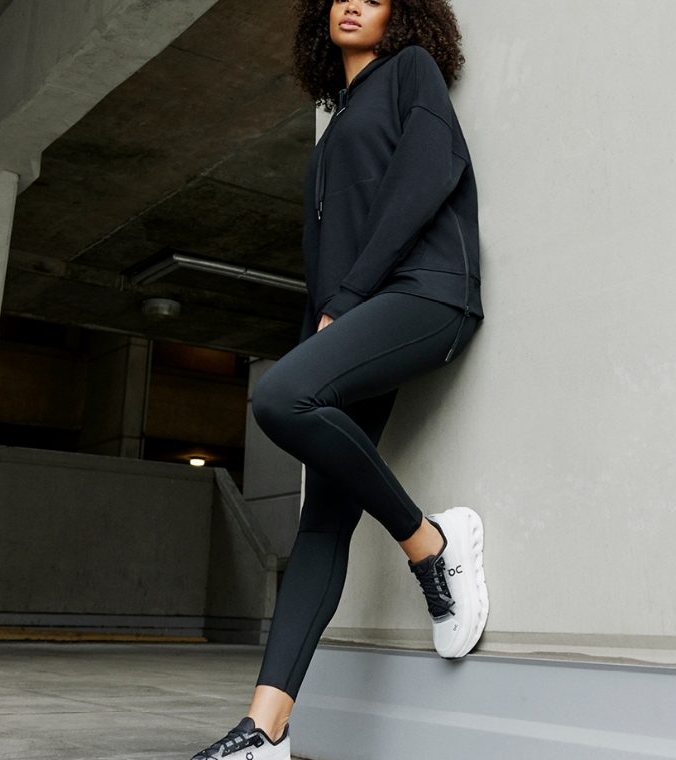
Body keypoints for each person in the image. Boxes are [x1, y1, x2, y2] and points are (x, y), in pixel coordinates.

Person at [189, 0, 488, 757]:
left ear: (403, 14)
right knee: (321, 522)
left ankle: (429, 544)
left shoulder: (409, 71)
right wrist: (325, 322)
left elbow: (426, 175)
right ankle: (264, 731)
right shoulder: (336, 121)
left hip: (426, 293)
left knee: (278, 396)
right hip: (349, 313)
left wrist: (348, 300)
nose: (351, 2)